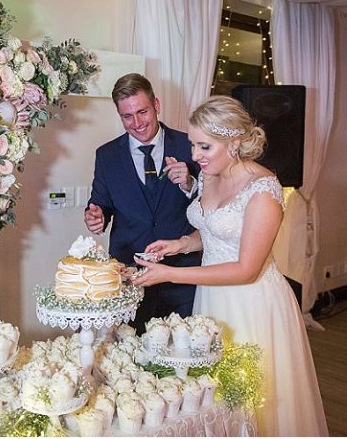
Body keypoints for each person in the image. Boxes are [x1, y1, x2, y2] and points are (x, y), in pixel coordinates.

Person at [132, 95, 328, 436]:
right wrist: (181, 244)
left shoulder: (263, 190)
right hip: (212, 297)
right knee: (214, 397)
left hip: (250, 302)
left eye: (204, 146)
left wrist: (171, 274)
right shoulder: (210, 175)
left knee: (253, 398)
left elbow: (246, 268)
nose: (195, 156)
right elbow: (213, 230)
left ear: (234, 143)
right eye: (193, 145)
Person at [84, 73, 201, 333]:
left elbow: (212, 207)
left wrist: (190, 183)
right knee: (131, 348)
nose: (137, 123)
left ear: (156, 105)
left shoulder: (189, 146)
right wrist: (96, 215)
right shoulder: (106, 155)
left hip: (182, 272)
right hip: (130, 274)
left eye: (142, 112)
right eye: (127, 116)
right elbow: (100, 202)